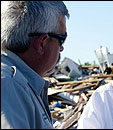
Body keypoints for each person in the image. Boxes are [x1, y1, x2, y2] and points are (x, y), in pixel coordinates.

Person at [1, 1, 69, 129]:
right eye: (61, 39)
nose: (62, 48)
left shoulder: (20, 84)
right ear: (42, 43)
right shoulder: (8, 86)